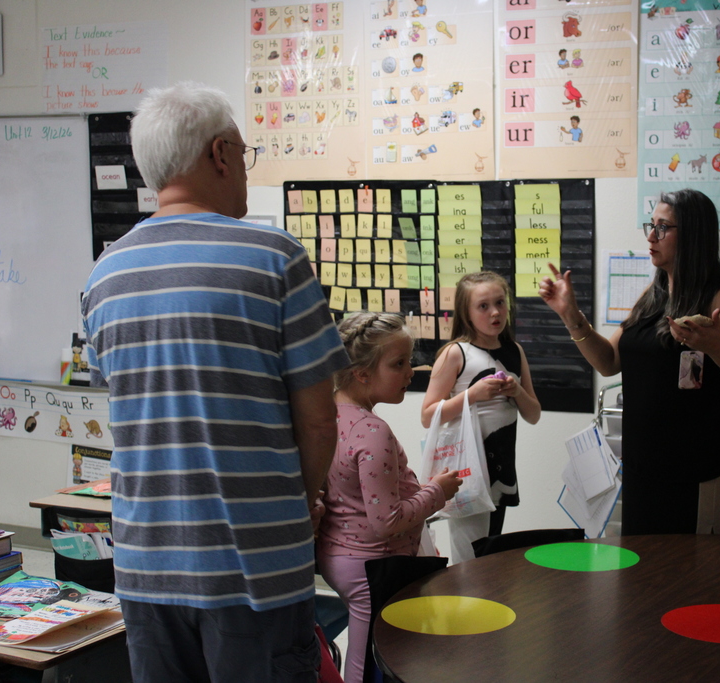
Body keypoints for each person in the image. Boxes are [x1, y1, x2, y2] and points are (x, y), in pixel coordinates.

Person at [81, 82, 349, 683]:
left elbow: (132, 408)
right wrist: (295, 503)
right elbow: (318, 419)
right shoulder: (276, 257)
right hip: (252, 568)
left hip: (146, 569)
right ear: (221, 153)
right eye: (245, 155)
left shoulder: (104, 274)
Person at [539, 189, 720, 536]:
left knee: (692, 581)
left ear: (692, 235)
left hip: (696, 468)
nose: (650, 236)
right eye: (651, 225)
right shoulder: (655, 293)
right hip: (645, 465)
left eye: (662, 228)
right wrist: (571, 315)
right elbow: (609, 361)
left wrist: (716, 347)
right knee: (642, 579)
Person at [317, 312, 461, 683]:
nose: (411, 372)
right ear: (362, 373)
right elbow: (387, 521)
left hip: (339, 555)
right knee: (368, 664)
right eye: (399, 364)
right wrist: (437, 492)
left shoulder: (327, 413)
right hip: (370, 566)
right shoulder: (371, 431)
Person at [421, 272, 541, 562]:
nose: (495, 312)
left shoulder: (515, 351)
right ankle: (464, 606)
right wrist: (472, 395)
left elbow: (533, 414)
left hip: (500, 473)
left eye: (500, 303)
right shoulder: (455, 353)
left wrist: (516, 391)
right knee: (468, 562)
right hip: (467, 474)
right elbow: (427, 415)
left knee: (490, 559)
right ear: (466, 312)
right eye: (483, 306)